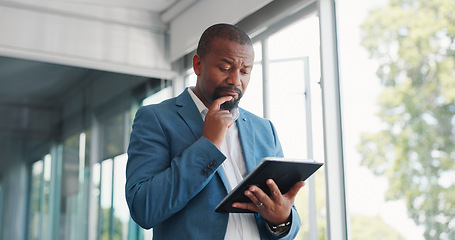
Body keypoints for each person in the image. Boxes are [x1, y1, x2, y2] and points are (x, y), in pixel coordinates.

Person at [125, 23, 305, 240]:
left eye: (245, 71)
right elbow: (144, 209)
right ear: (198, 64)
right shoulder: (157, 119)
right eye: (226, 67)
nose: (236, 80)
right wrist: (208, 144)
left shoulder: (265, 130)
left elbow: (287, 217)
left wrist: (282, 219)